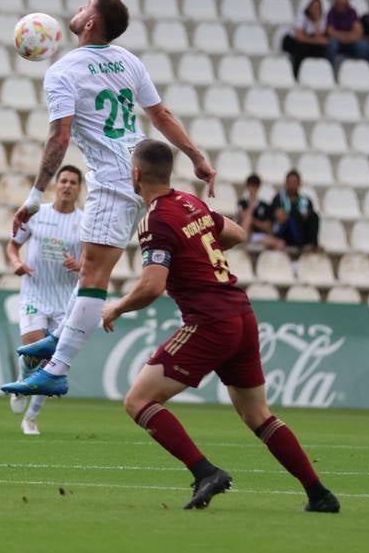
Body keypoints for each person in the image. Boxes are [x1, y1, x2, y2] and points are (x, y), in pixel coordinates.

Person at [100, 139, 340, 513]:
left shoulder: (156, 218)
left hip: (211, 321)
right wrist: (196, 249)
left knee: (139, 400)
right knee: (257, 415)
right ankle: (319, 493)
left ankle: (205, 471)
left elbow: (151, 286)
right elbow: (237, 234)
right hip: (241, 314)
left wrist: (116, 307)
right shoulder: (190, 202)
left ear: (136, 174)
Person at [1, 0, 217, 399]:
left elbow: (59, 137)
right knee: (90, 272)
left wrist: (33, 197)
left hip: (113, 178)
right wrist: (196, 158)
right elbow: (161, 116)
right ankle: (59, 339)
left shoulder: (63, 71)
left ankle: (57, 369)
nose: (78, 8)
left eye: (85, 6)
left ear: (89, 24)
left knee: (93, 276)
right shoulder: (129, 61)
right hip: (135, 172)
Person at [5, 165, 84, 434]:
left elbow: (94, 263)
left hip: (66, 300)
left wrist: (81, 265)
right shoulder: (37, 214)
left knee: (52, 360)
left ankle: (31, 417)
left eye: (73, 182)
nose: (67, 186)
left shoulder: (84, 223)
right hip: (35, 292)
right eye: (63, 180)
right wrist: (16, 262)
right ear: (56, 185)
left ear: (79, 188)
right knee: (34, 349)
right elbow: (13, 244)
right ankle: (22, 378)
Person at [326, 0, 369, 77]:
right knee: (331, 45)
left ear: (347, 4)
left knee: (363, 45)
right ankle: (328, 72)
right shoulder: (331, 13)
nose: (341, 6)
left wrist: (343, 36)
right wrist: (348, 36)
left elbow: (359, 32)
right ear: (335, 3)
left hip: (350, 42)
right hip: (338, 43)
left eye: (343, 4)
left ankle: (358, 72)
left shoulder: (351, 12)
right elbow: (330, 32)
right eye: (338, 3)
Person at [269, 170, 320, 251]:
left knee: (314, 216)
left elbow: (308, 216)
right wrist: (296, 215)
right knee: (293, 217)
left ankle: (313, 244)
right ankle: (302, 246)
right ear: (286, 183)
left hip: (301, 230)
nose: (292, 184)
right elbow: (280, 218)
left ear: (299, 183)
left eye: (295, 182)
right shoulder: (279, 198)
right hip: (284, 232)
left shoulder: (305, 200)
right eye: (290, 181)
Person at [281, 0, 329, 78]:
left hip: (307, 41)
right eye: (314, 7)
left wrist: (317, 21)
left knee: (319, 50)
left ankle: (315, 74)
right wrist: (315, 41)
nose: (315, 9)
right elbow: (299, 36)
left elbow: (320, 38)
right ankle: (297, 75)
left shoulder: (321, 19)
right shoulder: (301, 16)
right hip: (292, 41)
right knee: (301, 49)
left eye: (318, 7)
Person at [237, 174, 285, 249]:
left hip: (259, 236)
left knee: (280, 243)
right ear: (247, 186)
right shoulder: (242, 203)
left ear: (258, 187)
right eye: (251, 185)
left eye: (255, 185)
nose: (253, 188)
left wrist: (254, 221)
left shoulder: (265, 205)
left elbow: (268, 226)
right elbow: (243, 218)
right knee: (248, 220)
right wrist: (251, 205)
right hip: (245, 234)